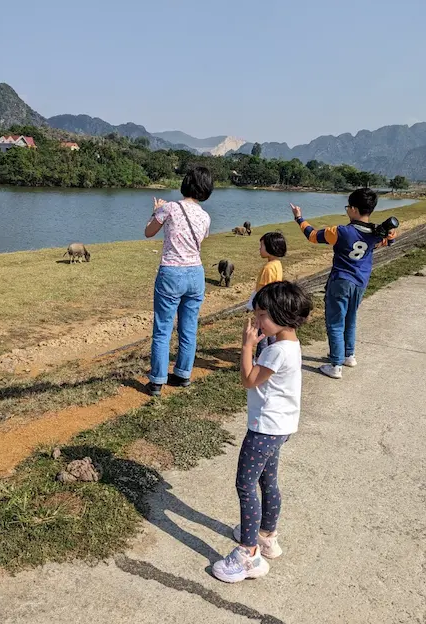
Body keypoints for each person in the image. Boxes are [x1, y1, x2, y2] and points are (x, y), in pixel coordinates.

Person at [212, 281, 312, 584]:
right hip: (282, 426)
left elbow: (248, 379)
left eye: (261, 316)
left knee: (245, 485)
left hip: (264, 429)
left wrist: (247, 345)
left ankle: (248, 553)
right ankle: (267, 535)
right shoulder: (291, 345)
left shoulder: (275, 352)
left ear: (281, 315)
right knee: (268, 481)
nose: (256, 322)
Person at [291, 188, 396, 379]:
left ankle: (335, 365)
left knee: (335, 322)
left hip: (340, 281)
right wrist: (390, 235)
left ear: (354, 209)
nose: (347, 210)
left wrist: (299, 218)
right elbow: (388, 242)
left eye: (348, 207)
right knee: (350, 319)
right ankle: (349, 355)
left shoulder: (340, 231)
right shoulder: (375, 233)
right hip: (360, 283)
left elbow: (313, 235)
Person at [143, 166, 213, 396]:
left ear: (185, 184)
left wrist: (155, 211)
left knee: (163, 329)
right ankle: (183, 374)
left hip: (172, 272)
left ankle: (157, 381)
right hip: (196, 273)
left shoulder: (169, 208)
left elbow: (149, 232)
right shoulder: (205, 216)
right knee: (189, 328)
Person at [249, 231, 287, 357]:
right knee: (271, 332)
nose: (259, 249)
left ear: (271, 248)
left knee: (262, 334)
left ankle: (261, 358)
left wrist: (258, 307)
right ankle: (272, 355)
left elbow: (264, 289)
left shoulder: (268, 268)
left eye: (262, 246)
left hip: (265, 306)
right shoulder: (277, 264)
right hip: (273, 305)